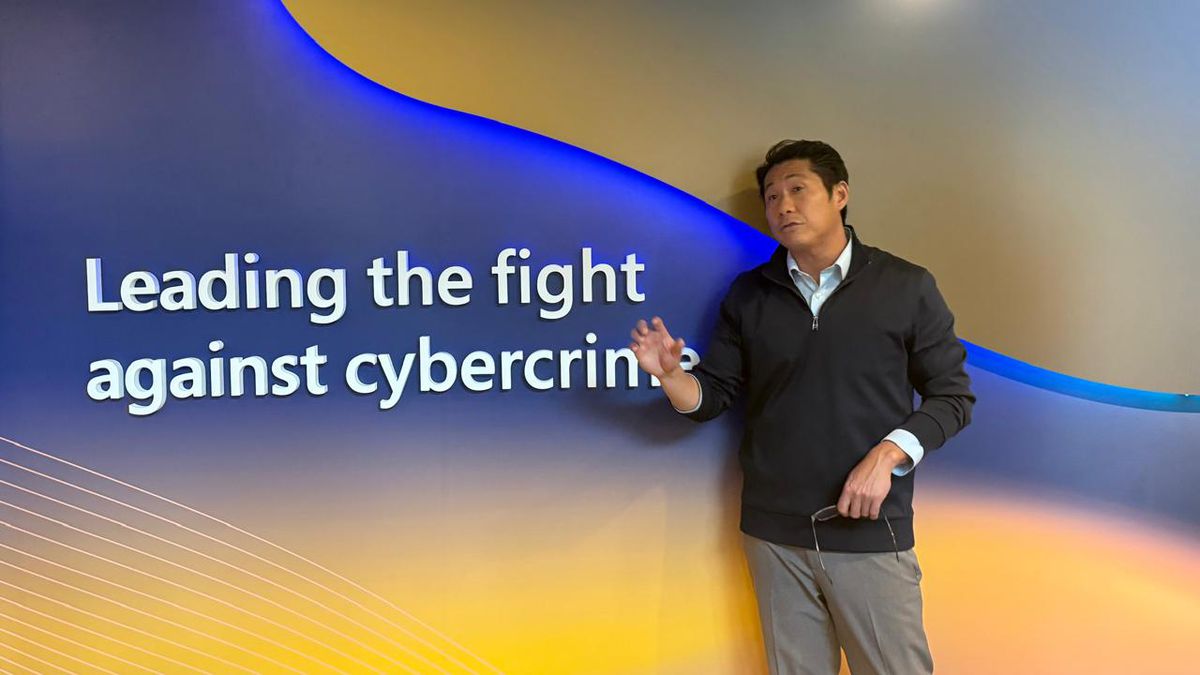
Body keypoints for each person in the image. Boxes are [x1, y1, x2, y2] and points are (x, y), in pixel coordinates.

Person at [629, 139, 974, 675]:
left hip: (866, 530)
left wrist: (887, 455)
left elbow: (952, 396)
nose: (783, 206)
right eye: (772, 197)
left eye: (798, 190)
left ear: (840, 195)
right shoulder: (749, 294)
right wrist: (672, 376)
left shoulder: (905, 286)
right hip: (774, 536)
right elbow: (713, 395)